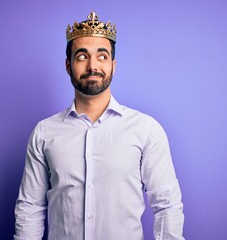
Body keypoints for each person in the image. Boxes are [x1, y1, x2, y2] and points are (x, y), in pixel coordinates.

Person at [14, 11, 184, 240]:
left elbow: (167, 205)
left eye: (102, 56)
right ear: (68, 65)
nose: (92, 65)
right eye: (82, 56)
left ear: (113, 65)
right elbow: (30, 208)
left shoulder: (146, 130)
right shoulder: (44, 133)